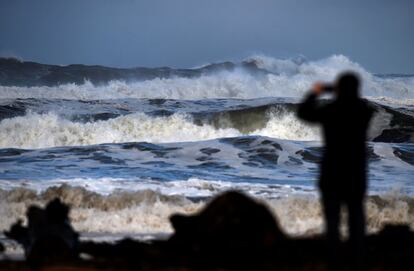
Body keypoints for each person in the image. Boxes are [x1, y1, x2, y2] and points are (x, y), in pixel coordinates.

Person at [297, 72, 374, 269]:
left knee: (333, 224)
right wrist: (342, 92)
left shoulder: (330, 110)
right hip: (356, 174)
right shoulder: (363, 111)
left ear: (338, 89)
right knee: (356, 222)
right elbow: (362, 104)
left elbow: (303, 112)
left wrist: (317, 91)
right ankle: (358, 262)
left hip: (332, 173)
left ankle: (334, 263)